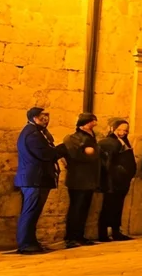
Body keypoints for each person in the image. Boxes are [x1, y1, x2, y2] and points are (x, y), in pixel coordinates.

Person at [15, 108, 61, 254]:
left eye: (47, 116)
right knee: (29, 212)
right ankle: (25, 244)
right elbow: (44, 153)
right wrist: (62, 149)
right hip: (33, 178)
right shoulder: (32, 134)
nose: (46, 119)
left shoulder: (37, 132)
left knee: (33, 213)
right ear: (34, 118)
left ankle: (31, 241)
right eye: (42, 116)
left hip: (37, 178)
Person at [62, 112, 101, 248]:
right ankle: (71, 237)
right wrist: (88, 152)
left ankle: (79, 235)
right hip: (78, 179)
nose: (94, 125)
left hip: (89, 178)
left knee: (84, 208)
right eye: (91, 122)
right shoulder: (74, 138)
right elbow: (75, 156)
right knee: (76, 208)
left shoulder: (91, 138)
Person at [97, 118, 136, 241]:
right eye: (120, 129)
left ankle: (115, 231)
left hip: (122, 181)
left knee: (118, 207)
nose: (123, 132)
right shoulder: (109, 142)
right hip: (113, 181)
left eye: (125, 130)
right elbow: (108, 163)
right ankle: (103, 233)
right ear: (114, 129)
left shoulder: (125, 141)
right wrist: (119, 172)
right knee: (108, 206)